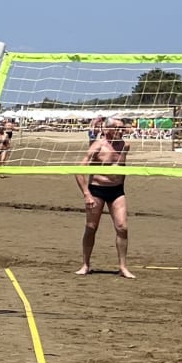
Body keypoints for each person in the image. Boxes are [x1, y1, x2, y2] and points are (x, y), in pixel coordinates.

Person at [76, 119, 135, 279]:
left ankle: (123, 267)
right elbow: (78, 170)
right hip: (97, 190)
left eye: (122, 128)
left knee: (122, 228)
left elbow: (122, 168)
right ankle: (85, 265)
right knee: (91, 227)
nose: (121, 131)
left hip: (117, 191)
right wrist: (87, 194)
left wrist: (120, 184)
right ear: (107, 129)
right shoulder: (98, 146)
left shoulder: (125, 146)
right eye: (117, 128)